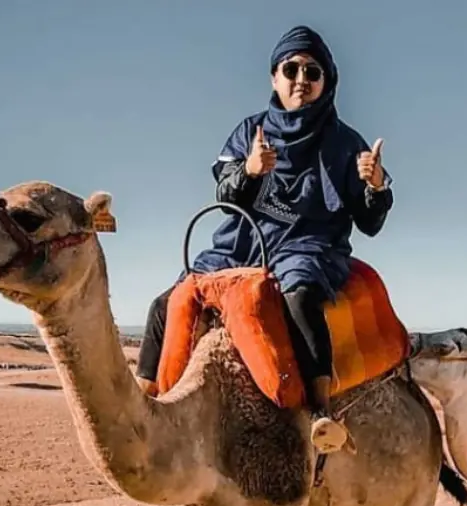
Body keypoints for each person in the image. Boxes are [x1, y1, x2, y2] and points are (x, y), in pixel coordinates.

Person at [135, 25, 393, 453]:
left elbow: (370, 222)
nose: (301, 80)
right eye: (290, 69)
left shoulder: (348, 145)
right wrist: (251, 170)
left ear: (326, 82)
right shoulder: (250, 132)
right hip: (241, 244)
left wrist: (376, 188)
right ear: (274, 77)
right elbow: (224, 194)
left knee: (298, 298)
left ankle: (319, 411)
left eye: (313, 72)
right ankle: (141, 405)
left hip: (306, 247)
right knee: (165, 304)